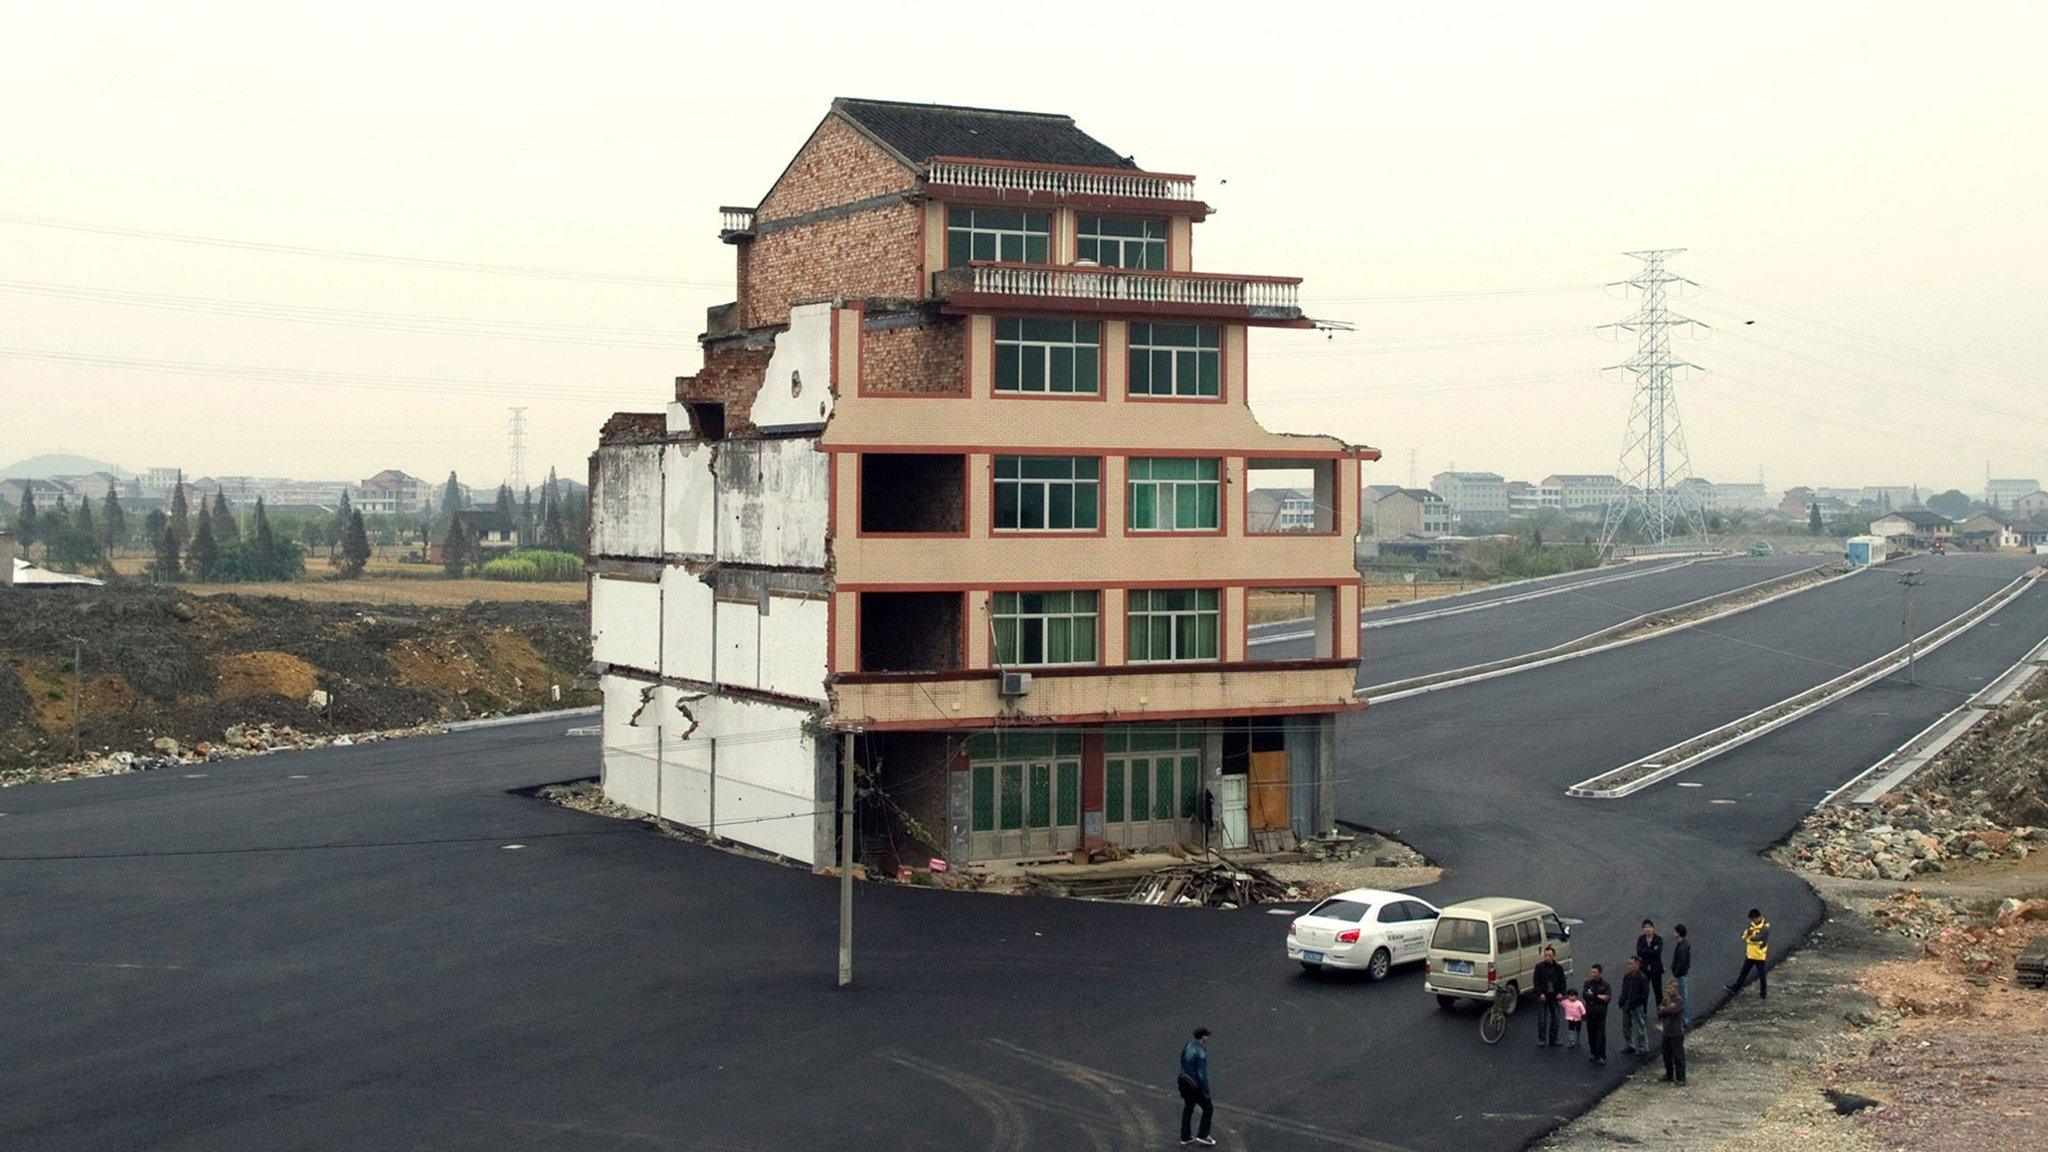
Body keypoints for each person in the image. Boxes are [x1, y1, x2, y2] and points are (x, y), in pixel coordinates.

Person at [1177, 1027, 1215, 1147]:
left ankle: (1185, 1136)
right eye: (1206, 1035)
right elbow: (1201, 1074)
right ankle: (1203, 1135)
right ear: (1203, 1036)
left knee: (1188, 1108)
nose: (1208, 1037)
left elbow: (1182, 1060)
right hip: (1195, 1084)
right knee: (1208, 1108)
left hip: (1183, 1080)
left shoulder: (1188, 1046)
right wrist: (1206, 1091)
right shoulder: (1200, 1052)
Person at [1727, 908, 1770, 1001]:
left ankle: (1763, 993)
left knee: (1761, 975)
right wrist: (1748, 935)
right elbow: (1745, 935)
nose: (1752, 921)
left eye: (1753, 919)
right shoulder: (1752, 925)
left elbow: (1760, 939)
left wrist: (1751, 937)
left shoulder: (1765, 927)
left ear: (1758, 917)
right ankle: (1735, 988)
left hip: (1759, 955)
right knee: (1743, 972)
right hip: (1750, 954)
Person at [1532, 946, 1569, 1048]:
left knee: (1556, 1018)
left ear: (1554, 956)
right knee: (1542, 1019)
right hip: (1543, 996)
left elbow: (1563, 982)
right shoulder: (1539, 967)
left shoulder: (1558, 968)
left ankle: (1554, 1039)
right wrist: (1540, 994)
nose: (1547, 957)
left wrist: (1561, 993)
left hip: (1554, 996)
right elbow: (1536, 982)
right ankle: (1542, 1039)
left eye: (1549, 956)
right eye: (1546, 955)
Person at [1581, 964, 1613, 1065]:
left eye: (1595, 972)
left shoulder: (1605, 985)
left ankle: (1601, 1055)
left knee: (1600, 1034)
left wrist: (1595, 996)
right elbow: (1585, 995)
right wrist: (1598, 997)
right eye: (1591, 972)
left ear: (1600, 973)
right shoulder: (1588, 983)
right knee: (1591, 1033)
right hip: (1590, 1011)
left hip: (1600, 1012)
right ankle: (1593, 1052)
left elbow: (1607, 998)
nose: (1593, 974)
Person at [1619, 955, 1651, 1055]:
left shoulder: (1642, 978)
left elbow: (1644, 994)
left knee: (1639, 1026)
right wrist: (1622, 1001)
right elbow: (1624, 990)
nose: (1630, 966)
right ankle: (1630, 1045)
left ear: (1637, 964)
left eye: (1632, 963)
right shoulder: (1627, 977)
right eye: (1629, 963)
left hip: (1636, 1006)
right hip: (1626, 1004)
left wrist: (1637, 1003)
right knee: (1626, 1026)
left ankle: (1643, 1047)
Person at [1657, 982, 1687, 1084]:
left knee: (1678, 1056)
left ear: (1676, 989)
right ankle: (1669, 1075)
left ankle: (1681, 1078)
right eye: (1668, 988)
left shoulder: (1679, 1000)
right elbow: (1660, 1011)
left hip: (1676, 1033)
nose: (1668, 990)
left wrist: (1665, 1009)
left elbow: (1672, 1010)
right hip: (1666, 1032)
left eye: (1670, 988)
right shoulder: (1666, 1000)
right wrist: (1665, 1009)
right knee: (1666, 1055)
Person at [1635, 919, 1666, 997]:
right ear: (1643, 929)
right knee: (1643, 992)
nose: (1647, 929)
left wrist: (1645, 950)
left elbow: (1658, 952)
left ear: (1653, 928)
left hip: (1656, 969)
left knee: (1658, 991)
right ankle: (1644, 1009)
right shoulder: (1640, 939)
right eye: (1645, 927)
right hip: (1644, 969)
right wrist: (1652, 950)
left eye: (1649, 927)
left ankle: (1659, 1008)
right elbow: (1639, 952)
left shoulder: (1658, 939)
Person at [1671, 923, 1693, 1028]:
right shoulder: (1682, 944)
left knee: (1682, 996)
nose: (1673, 933)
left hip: (1680, 974)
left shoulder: (1682, 947)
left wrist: (1676, 971)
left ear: (1678, 933)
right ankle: (1682, 1017)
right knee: (1681, 995)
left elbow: (1682, 962)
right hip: (1680, 973)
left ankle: (1685, 1019)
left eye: (1675, 931)